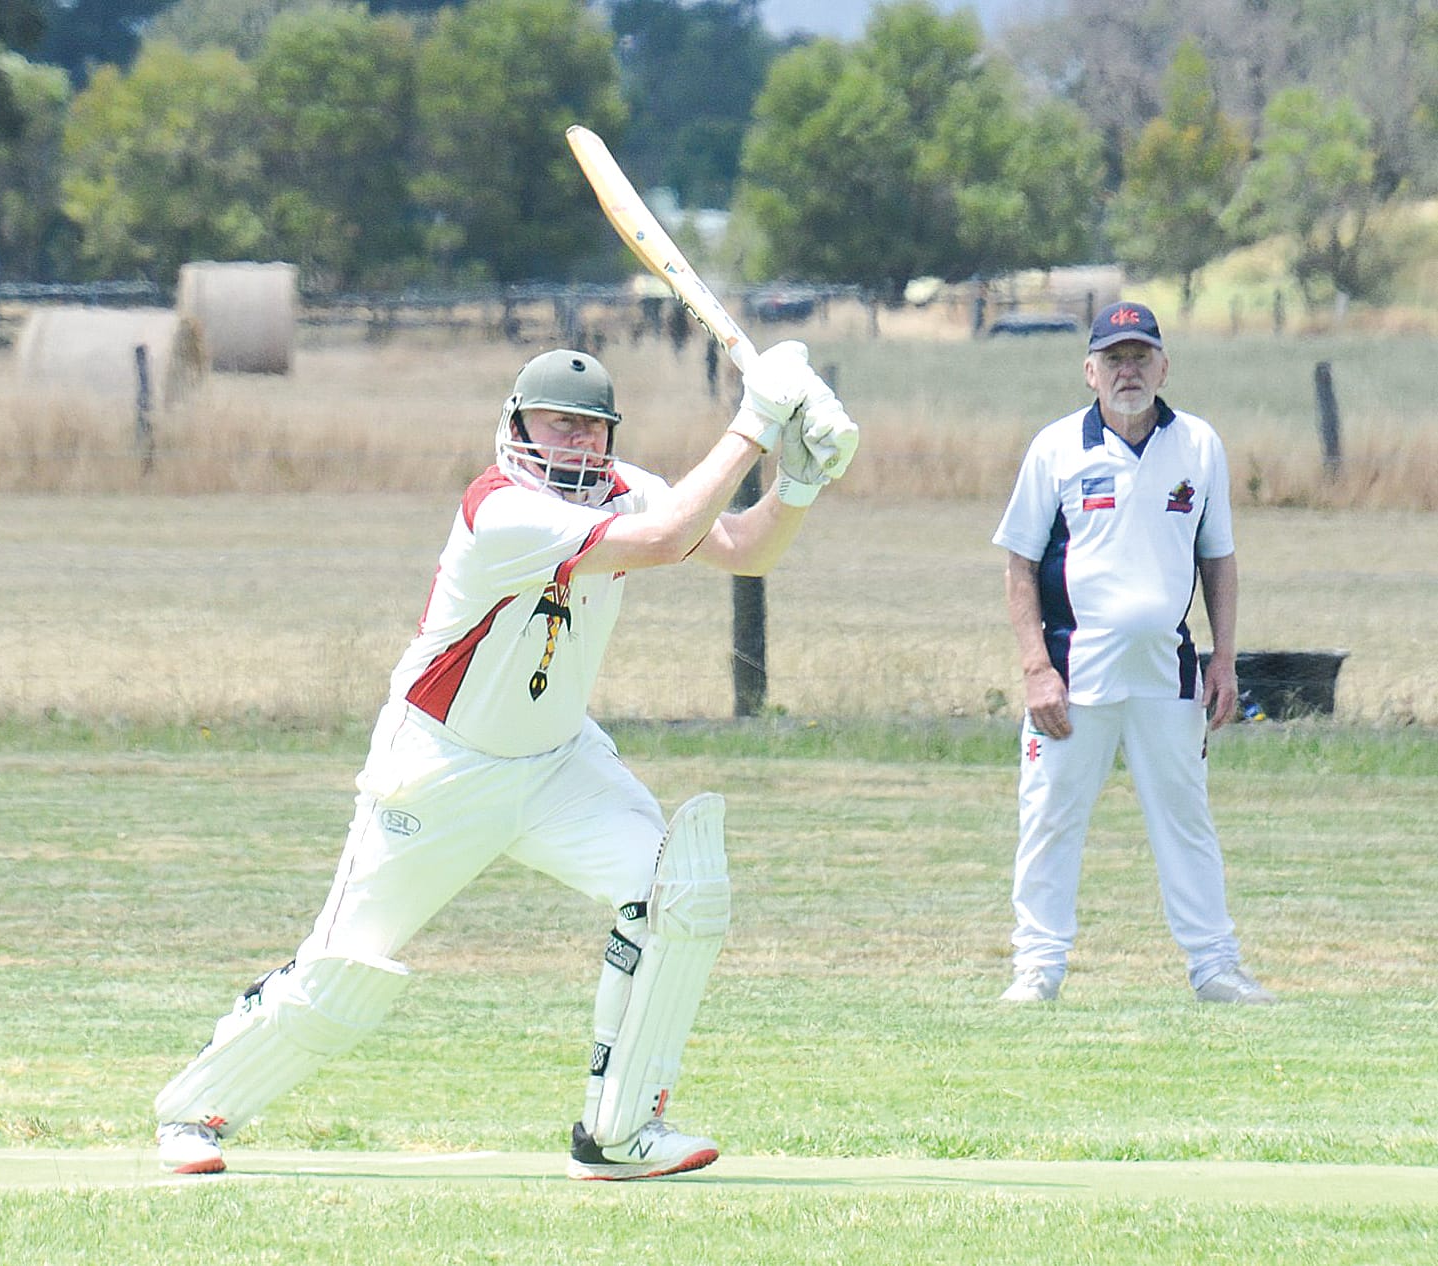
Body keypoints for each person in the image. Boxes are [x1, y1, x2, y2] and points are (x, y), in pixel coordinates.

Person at [155, 341, 859, 1179]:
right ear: (516, 426)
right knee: (344, 972)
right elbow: (670, 537)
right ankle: (191, 1113)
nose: (574, 443)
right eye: (555, 425)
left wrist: (799, 482)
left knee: (677, 894)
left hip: (559, 765)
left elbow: (743, 548)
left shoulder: (622, 487)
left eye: (590, 429)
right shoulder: (501, 511)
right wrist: (753, 422)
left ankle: (619, 1134)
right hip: (440, 767)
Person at [991, 301, 1274, 1006]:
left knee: (1184, 820)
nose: (1127, 371)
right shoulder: (1056, 448)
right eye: (1113, 359)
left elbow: (1218, 559)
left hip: (1167, 675)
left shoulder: (1198, 445)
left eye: (1140, 356)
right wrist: (1034, 668)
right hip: (1072, 677)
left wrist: (1223, 660)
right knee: (1051, 817)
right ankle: (1037, 970)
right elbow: (1018, 564)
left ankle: (1213, 967)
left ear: (1163, 366)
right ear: (1089, 372)